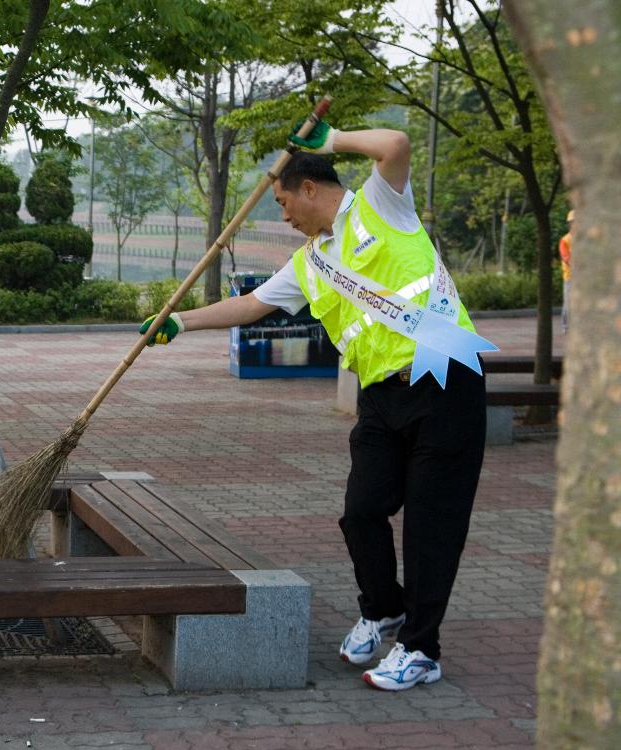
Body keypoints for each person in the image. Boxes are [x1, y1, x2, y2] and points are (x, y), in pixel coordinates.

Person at [140, 123, 488, 692]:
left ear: (308, 188)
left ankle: (422, 650)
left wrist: (334, 139)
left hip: (445, 378)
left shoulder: (382, 205)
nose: (282, 217)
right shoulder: (309, 262)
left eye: (281, 203)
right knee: (361, 509)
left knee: (430, 525)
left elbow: (396, 145)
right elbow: (252, 305)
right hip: (381, 394)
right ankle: (383, 609)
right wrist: (178, 321)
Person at [559, 209, 573, 330]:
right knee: (568, 304)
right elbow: (567, 258)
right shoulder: (565, 240)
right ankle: (566, 326)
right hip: (570, 277)